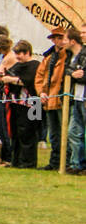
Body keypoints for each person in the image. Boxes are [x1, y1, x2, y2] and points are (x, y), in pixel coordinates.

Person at [0, 40, 42, 168]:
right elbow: (6, 76)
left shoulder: (35, 65)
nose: (17, 57)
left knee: (28, 133)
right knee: (16, 132)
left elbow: (29, 81)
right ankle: (16, 160)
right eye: (16, 53)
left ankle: (28, 162)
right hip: (16, 102)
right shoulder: (17, 66)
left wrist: (12, 80)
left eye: (20, 54)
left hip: (33, 103)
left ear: (27, 52)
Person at [34, 26, 70, 170]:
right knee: (54, 133)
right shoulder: (48, 57)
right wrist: (41, 92)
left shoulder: (67, 56)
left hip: (61, 98)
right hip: (49, 99)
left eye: (60, 38)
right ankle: (55, 161)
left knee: (65, 132)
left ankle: (66, 161)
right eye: (55, 38)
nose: (58, 41)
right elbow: (39, 76)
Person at [64, 27, 85, 175]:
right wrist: (75, 73)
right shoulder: (73, 56)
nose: (82, 35)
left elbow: (82, 75)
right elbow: (68, 71)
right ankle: (77, 163)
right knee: (73, 132)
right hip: (76, 97)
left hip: (84, 97)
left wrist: (81, 75)